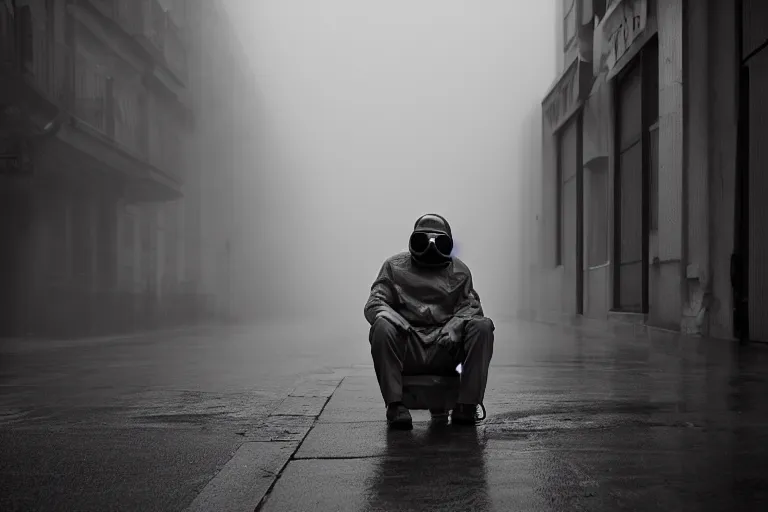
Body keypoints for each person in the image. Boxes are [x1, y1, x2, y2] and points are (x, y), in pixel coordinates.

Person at [364, 213, 495, 429]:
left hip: (445, 347)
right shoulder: (394, 268)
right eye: (423, 241)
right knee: (381, 326)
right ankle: (395, 405)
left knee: (482, 326)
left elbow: (473, 307)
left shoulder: (460, 272)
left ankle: (468, 405)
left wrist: (457, 323)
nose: (430, 248)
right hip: (409, 344)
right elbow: (374, 303)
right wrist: (393, 318)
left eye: (439, 242)